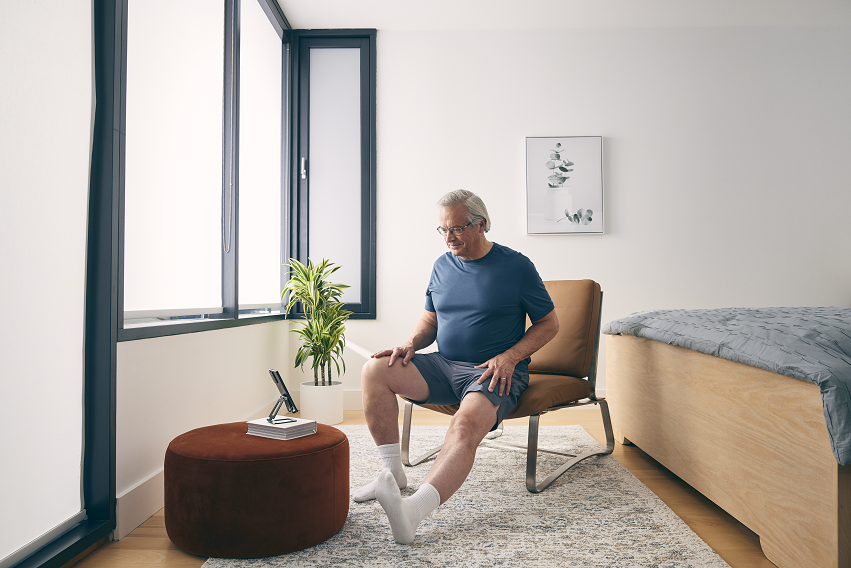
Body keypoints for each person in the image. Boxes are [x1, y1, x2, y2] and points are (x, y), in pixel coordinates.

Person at [356, 189, 559, 544]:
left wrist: (510, 357)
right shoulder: (442, 265)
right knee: (375, 369)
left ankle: (412, 511)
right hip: (444, 365)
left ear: (480, 225)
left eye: (457, 229)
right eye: (443, 230)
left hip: (492, 371)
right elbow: (430, 319)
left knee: (463, 427)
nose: (449, 237)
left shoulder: (516, 266)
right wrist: (409, 344)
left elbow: (549, 324)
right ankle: (392, 474)